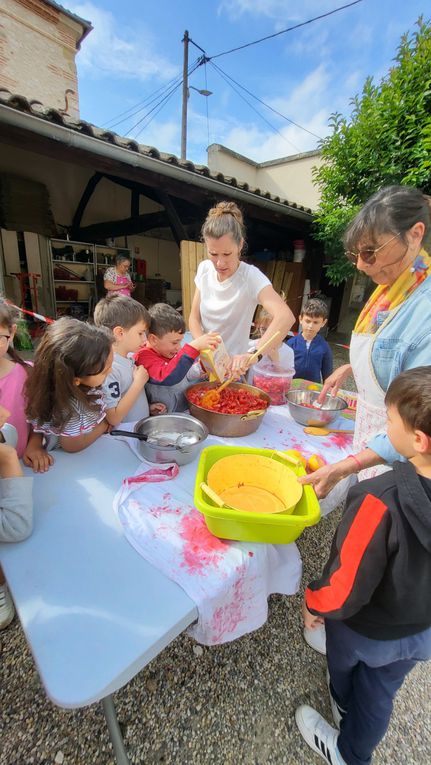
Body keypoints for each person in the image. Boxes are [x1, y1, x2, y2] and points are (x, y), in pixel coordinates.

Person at [300, 185, 431, 654]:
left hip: (397, 447)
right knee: (361, 526)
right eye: (356, 253)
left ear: (415, 234)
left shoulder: (427, 307)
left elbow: (419, 421)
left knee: (381, 540)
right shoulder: (392, 290)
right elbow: (382, 350)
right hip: (377, 429)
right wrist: (347, 367)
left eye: (370, 251)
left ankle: (353, 627)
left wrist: (348, 465)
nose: (361, 264)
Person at [295, 367, 431, 765]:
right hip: (421, 630)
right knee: (381, 693)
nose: (384, 429)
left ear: (418, 440)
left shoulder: (378, 499)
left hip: (364, 631)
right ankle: (357, 749)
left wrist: (312, 603)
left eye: (388, 422)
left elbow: (344, 586)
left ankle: (342, 730)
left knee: (343, 669)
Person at [189, 201, 295, 374]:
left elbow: (285, 317)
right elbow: (194, 318)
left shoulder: (251, 277)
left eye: (227, 254)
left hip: (234, 371)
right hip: (204, 365)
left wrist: (253, 354)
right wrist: (204, 347)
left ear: (240, 245)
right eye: (213, 254)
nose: (220, 263)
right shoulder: (204, 269)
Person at [25, 318, 113, 453]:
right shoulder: (71, 407)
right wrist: (104, 425)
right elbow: (72, 446)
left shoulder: (53, 385)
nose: (110, 371)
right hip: (69, 461)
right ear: (76, 379)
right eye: (105, 371)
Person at [93, 294, 166, 425]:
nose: (144, 339)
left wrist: (147, 408)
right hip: (125, 436)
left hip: (137, 427)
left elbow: (125, 397)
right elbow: (114, 418)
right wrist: (139, 383)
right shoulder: (110, 369)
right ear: (119, 333)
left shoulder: (128, 358)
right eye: (140, 333)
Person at [135, 303, 221, 412]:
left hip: (185, 407)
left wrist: (201, 367)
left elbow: (185, 374)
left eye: (180, 341)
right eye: (174, 342)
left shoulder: (168, 351)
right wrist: (193, 347)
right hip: (168, 415)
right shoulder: (143, 357)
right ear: (153, 340)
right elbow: (168, 376)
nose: (178, 347)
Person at [0, 300, 52, 472]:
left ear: (12, 332)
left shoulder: (27, 373)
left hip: (24, 468)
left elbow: (39, 416)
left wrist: (35, 443)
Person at [0, 403, 33, 629]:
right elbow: (16, 527)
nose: (6, 412)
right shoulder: (5, 450)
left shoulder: (6, 433)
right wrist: (9, 459)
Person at [286, 298, 333, 383]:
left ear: (323, 323)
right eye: (308, 321)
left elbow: (328, 375)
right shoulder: (291, 344)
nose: (311, 326)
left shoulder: (324, 347)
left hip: (313, 389)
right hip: (291, 387)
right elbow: (283, 369)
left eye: (315, 322)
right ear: (300, 319)